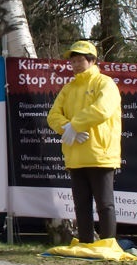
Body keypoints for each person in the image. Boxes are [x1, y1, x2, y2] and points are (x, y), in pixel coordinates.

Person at [47, 40, 122, 243]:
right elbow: (52, 116)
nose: (76, 64)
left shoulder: (105, 83)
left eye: (80, 60)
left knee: (105, 204)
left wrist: (75, 125)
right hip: (75, 155)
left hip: (100, 154)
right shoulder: (68, 88)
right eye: (73, 61)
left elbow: (102, 109)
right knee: (81, 204)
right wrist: (66, 127)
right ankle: (86, 242)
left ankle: (108, 244)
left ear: (92, 60)